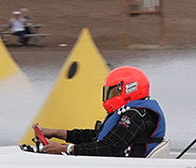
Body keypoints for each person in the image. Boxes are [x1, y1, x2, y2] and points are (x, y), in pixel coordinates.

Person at [35, 66, 166, 157]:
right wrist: (57, 133)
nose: (109, 96)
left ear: (129, 89)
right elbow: (97, 136)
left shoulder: (136, 115)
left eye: (114, 91)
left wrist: (64, 149)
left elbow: (109, 147)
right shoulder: (135, 111)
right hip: (114, 165)